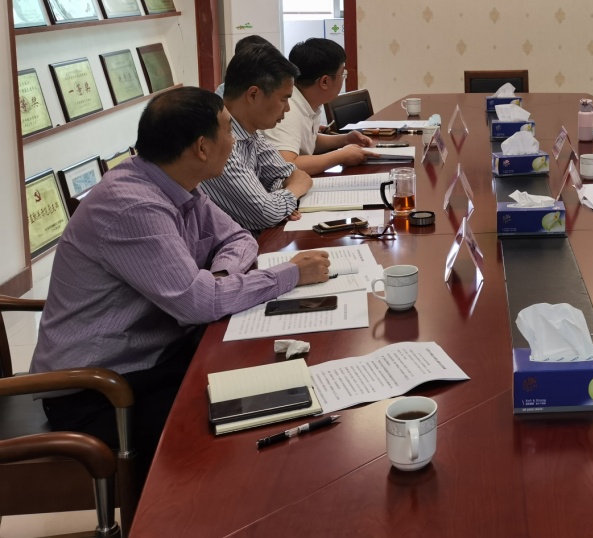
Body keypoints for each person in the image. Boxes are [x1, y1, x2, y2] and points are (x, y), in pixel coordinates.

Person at [31, 87, 331, 472]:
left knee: (268, 387)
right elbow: (200, 305)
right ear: (202, 148)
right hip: (99, 390)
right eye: (228, 130)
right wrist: (290, 273)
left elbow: (238, 239)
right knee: (235, 434)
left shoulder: (176, 181)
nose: (234, 140)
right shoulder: (134, 206)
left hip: (156, 357)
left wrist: (220, 279)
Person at [200, 45, 314, 230]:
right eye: (284, 99)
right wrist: (293, 191)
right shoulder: (219, 143)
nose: (287, 108)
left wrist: (281, 199)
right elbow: (267, 214)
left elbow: (286, 173)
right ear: (253, 94)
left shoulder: (250, 132)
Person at [263, 38, 373, 175]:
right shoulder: (286, 110)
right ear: (325, 81)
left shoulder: (306, 101)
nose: (344, 78)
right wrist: (340, 156)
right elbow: (287, 165)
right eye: (342, 74)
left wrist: (345, 139)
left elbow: (306, 140)